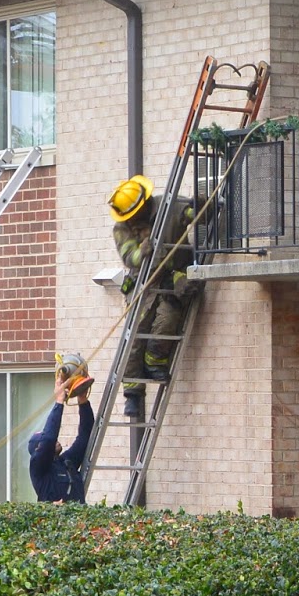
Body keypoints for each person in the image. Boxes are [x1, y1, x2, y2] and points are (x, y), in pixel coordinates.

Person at [108, 174, 197, 418]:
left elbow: (190, 214)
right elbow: (129, 257)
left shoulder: (167, 207)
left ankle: (156, 363)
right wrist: (141, 252)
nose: (133, 219)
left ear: (145, 203)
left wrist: (200, 206)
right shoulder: (121, 229)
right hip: (142, 283)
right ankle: (133, 393)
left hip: (173, 278)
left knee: (166, 322)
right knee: (135, 336)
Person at [28, 359, 94, 503]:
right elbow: (49, 439)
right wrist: (59, 401)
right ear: (38, 449)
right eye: (44, 443)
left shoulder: (66, 462)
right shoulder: (39, 468)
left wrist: (82, 401)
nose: (55, 441)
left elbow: (85, 436)